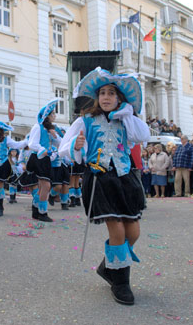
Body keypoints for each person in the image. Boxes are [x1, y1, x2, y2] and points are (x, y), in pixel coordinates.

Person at [60, 67, 150, 306]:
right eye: (102, 93)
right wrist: (76, 146)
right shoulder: (84, 120)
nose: (107, 97)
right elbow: (63, 149)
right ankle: (121, 282)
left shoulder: (126, 121)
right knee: (117, 230)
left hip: (125, 179)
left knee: (133, 232)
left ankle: (108, 266)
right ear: (97, 97)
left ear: (120, 98)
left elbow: (143, 136)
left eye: (112, 93)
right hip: (99, 179)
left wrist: (128, 114)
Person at [26, 99, 62, 222]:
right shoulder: (38, 127)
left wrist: (55, 135)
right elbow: (32, 144)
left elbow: (59, 143)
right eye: (53, 114)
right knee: (46, 186)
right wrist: (43, 150)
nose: (55, 116)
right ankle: (42, 212)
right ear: (47, 116)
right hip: (38, 159)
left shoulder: (51, 129)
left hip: (45, 160)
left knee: (43, 186)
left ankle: (36, 210)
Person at [0, 121, 26, 217]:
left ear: (1, 130)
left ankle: (0, 208)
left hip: (2, 164)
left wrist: (27, 141)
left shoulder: (6, 139)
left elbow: (16, 145)